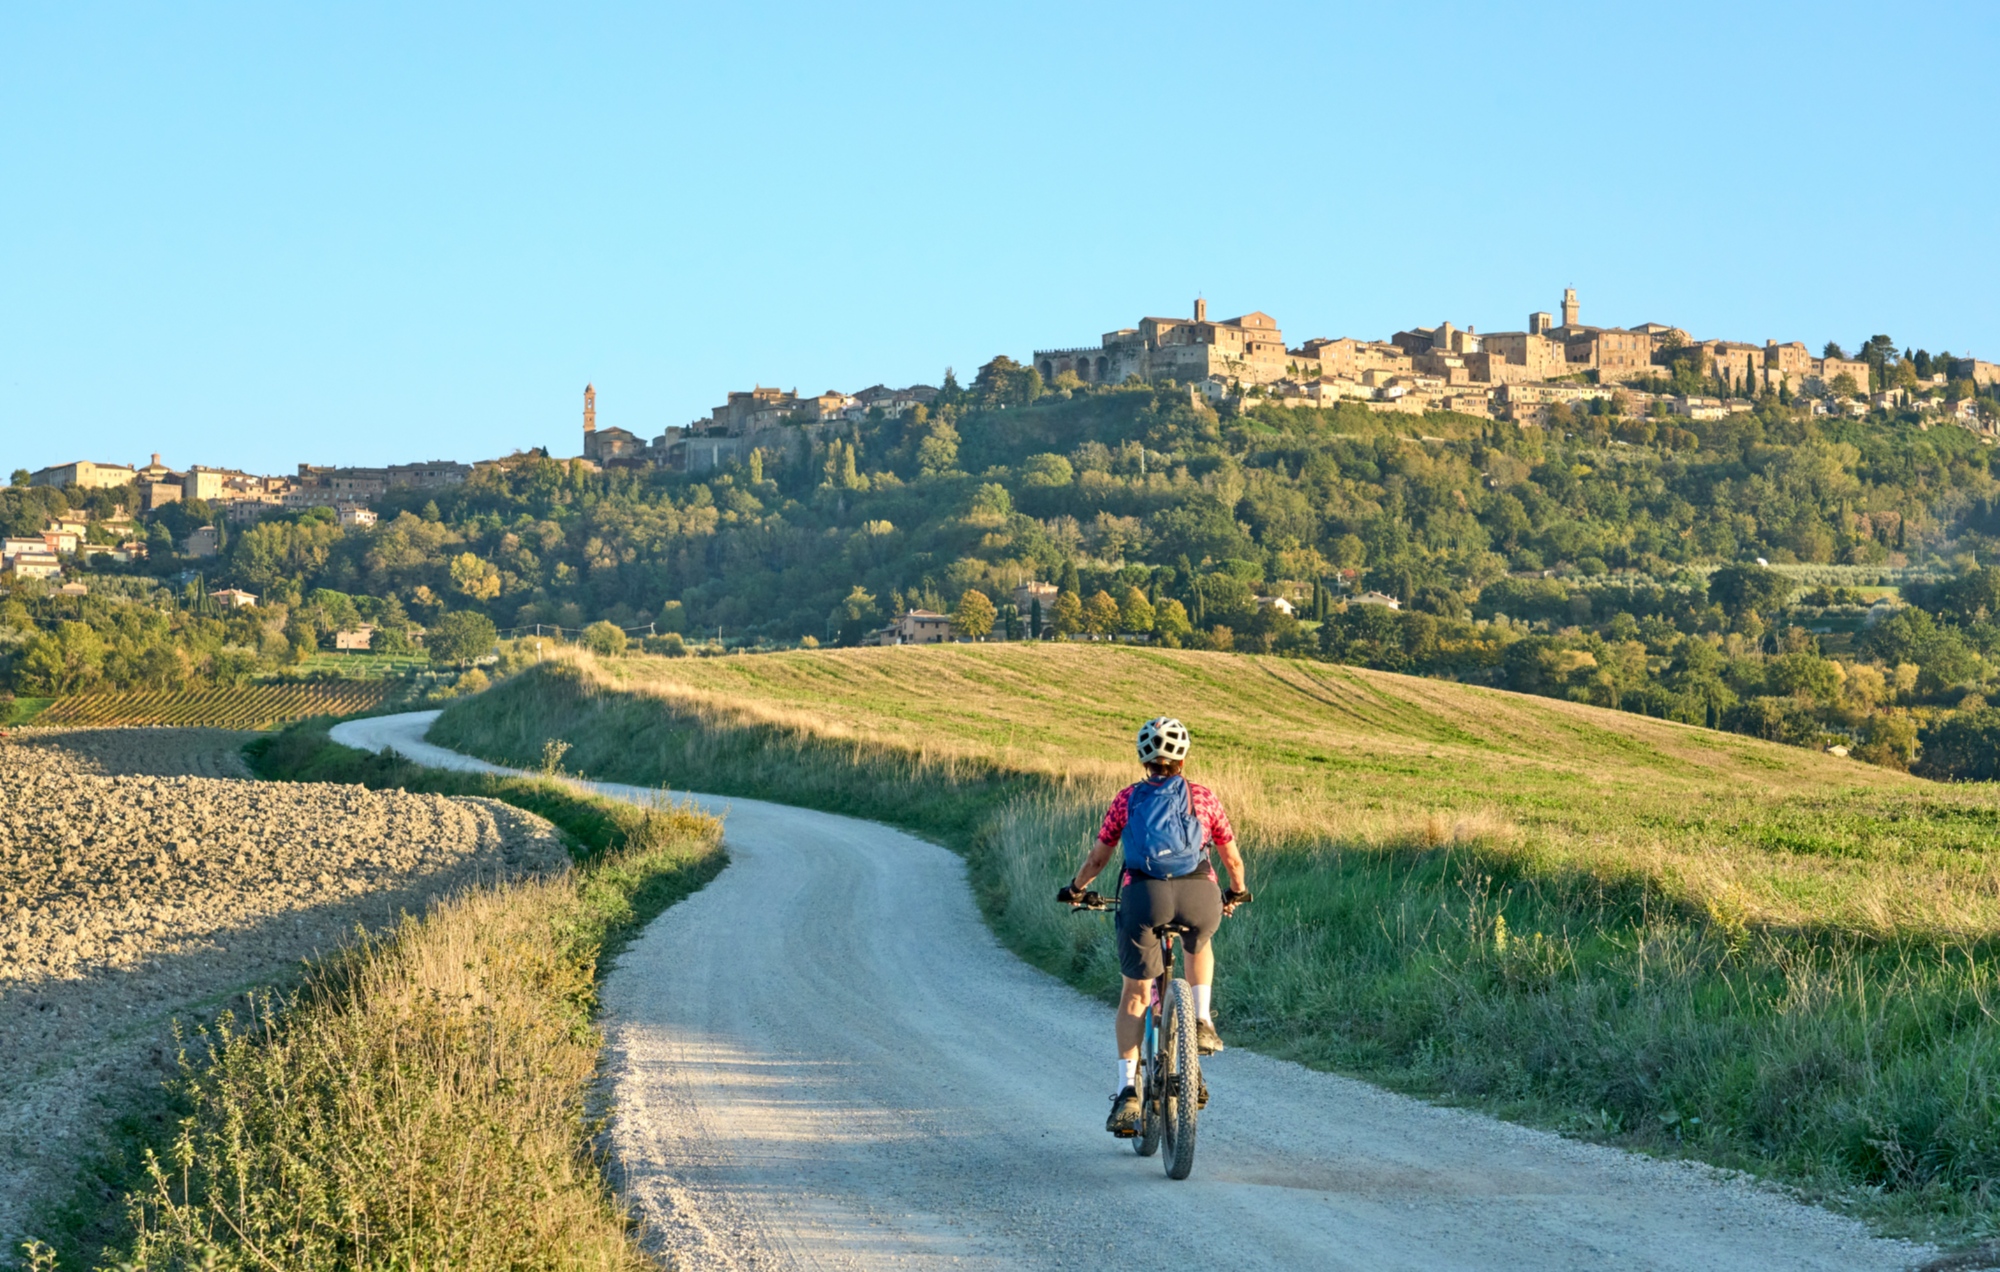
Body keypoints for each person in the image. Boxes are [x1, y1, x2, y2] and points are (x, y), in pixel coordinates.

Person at [1057, 716, 1249, 1137]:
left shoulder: (1127, 799)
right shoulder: (1203, 797)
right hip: (1199, 895)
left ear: (1144, 757)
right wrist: (1235, 892)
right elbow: (1232, 860)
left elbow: (1098, 858)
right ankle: (1200, 1020)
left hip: (1144, 897)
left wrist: (1076, 888)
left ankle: (1128, 1091)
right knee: (1198, 944)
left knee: (1136, 991)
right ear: (1183, 757)